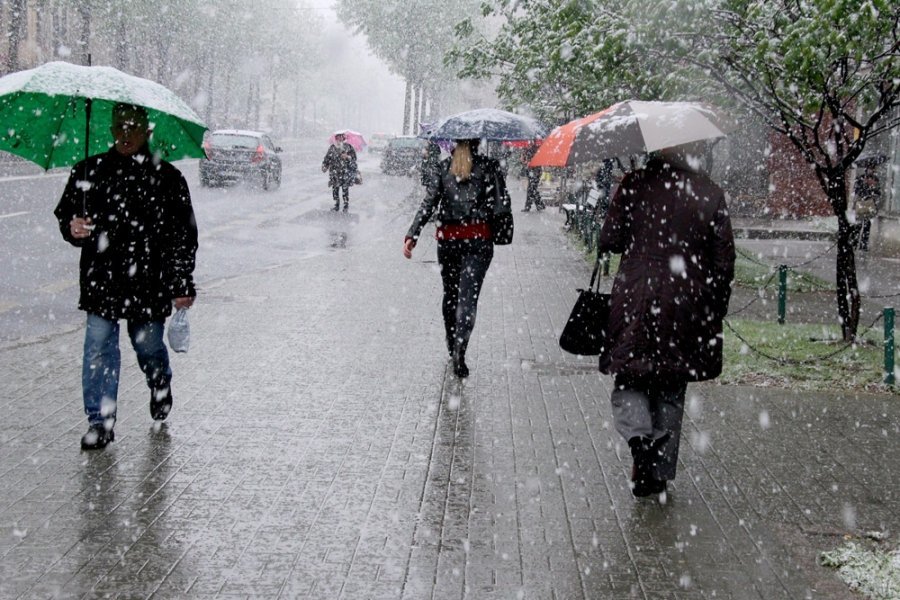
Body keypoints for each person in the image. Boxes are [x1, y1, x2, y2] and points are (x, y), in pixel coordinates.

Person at [54, 103, 198, 450]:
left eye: (133, 127)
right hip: (101, 278)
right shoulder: (88, 171)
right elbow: (67, 216)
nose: (126, 134)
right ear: (111, 130)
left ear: (147, 131)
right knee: (98, 349)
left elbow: (183, 235)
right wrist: (73, 227)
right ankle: (100, 422)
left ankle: (159, 381)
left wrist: (181, 282)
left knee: (147, 345)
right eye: (120, 126)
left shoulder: (167, 177)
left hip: (149, 280)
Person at [597, 142, 735, 498]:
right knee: (671, 386)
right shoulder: (709, 192)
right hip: (686, 302)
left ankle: (639, 438)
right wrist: (715, 306)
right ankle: (656, 475)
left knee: (631, 377)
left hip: (636, 295)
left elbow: (610, 239)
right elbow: (723, 261)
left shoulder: (635, 183)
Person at [403, 139, 506, 378]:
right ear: (478, 143)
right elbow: (500, 204)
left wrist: (413, 234)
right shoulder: (489, 167)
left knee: (450, 295)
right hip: (479, 240)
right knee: (468, 297)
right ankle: (461, 349)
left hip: (448, 240)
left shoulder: (443, 167)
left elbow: (429, 202)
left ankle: (452, 345)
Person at [322, 133, 359, 212]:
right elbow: (327, 158)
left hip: (345, 172)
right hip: (334, 173)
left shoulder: (348, 147)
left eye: (341, 137)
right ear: (336, 138)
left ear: (344, 138)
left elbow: (354, 158)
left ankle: (346, 205)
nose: (339, 139)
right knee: (335, 189)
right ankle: (336, 205)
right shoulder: (332, 147)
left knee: (345, 189)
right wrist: (324, 165)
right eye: (338, 137)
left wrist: (347, 157)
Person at [852, 165, 881, 252]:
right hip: (861, 204)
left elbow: (878, 193)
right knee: (858, 225)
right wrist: (864, 184)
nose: (871, 170)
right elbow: (856, 190)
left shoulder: (875, 179)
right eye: (870, 168)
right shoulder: (860, 178)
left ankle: (863, 245)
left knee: (867, 226)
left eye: (872, 169)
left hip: (869, 204)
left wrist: (873, 187)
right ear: (866, 169)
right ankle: (854, 243)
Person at [521, 143, 545, 212]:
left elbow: (538, 160)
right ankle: (540, 205)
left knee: (531, 188)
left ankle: (529, 206)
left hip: (536, 171)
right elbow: (524, 162)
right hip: (530, 172)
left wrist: (530, 162)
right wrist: (523, 159)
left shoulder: (535, 149)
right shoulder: (526, 149)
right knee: (533, 189)